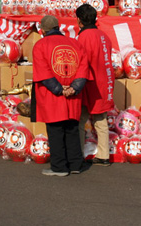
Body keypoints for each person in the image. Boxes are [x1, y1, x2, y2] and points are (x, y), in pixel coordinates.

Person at [32, 15, 89, 177]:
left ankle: (59, 167)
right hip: (73, 95)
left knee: (56, 130)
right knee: (71, 129)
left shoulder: (40, 45)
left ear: (42, 30)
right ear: (58, 27)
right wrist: (74, 88)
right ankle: (76, 164)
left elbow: (43, 72)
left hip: (52, 96)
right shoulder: (76, 44)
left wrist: (59, 89)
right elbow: (83, 69)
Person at [76, 4, 115, 166]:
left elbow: (81, 62)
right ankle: (104, 155)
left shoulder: (83, 37)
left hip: (89, 82)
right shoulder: (104, 36)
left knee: (80, 119)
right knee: (101, 119)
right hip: (105, 82)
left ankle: (77, 154)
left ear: (79, 20)